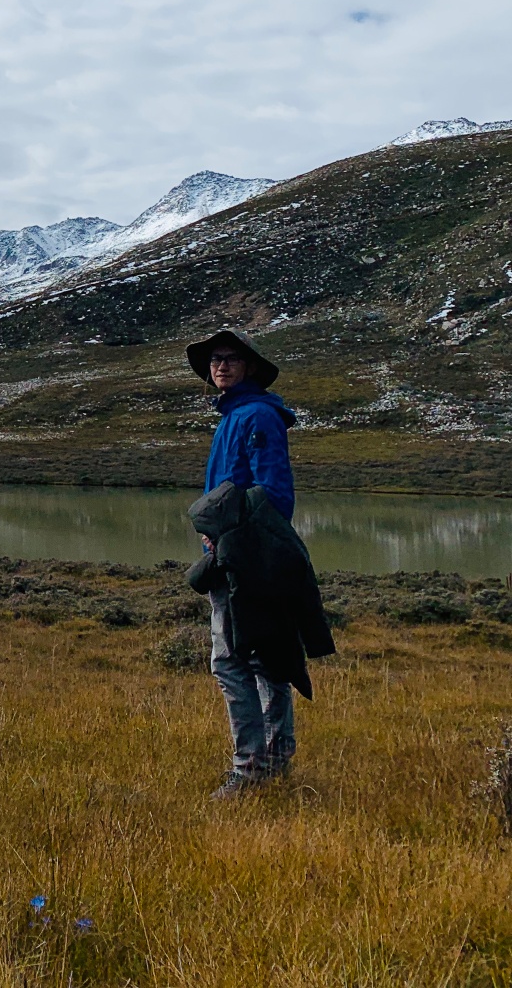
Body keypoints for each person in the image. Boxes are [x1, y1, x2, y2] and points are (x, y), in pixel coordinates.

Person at [185, 328, 299, 798]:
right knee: (266, 659)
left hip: (242, 557)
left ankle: (250, 769)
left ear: (249, 366)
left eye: (232, 358)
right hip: (244, 551)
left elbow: (273, 493)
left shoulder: (254, 416)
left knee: (230, 661)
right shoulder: (237, 415)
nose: (221, 366)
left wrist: (235, 543)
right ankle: (275, 761)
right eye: (215, 360)